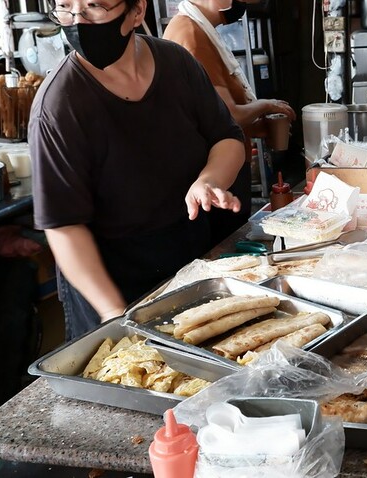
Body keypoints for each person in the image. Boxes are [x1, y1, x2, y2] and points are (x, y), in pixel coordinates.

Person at [30, 0, 246, 340]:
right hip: (112, 281)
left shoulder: (176, 63)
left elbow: (227, 138)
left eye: (95, 6)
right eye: (65, 7)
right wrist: (116, 315)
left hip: (188, 259)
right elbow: (63, 226)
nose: (77, 21)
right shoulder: (60, 105)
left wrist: (209, 180)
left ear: (137, 11)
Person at [162, 0, 296, 243]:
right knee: (226, 246)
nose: (240, 3)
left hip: (219, 170)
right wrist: (267, 105)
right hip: (215, 172)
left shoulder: (198, 30)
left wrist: (260, 123)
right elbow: (228, 115)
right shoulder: (191, 34)